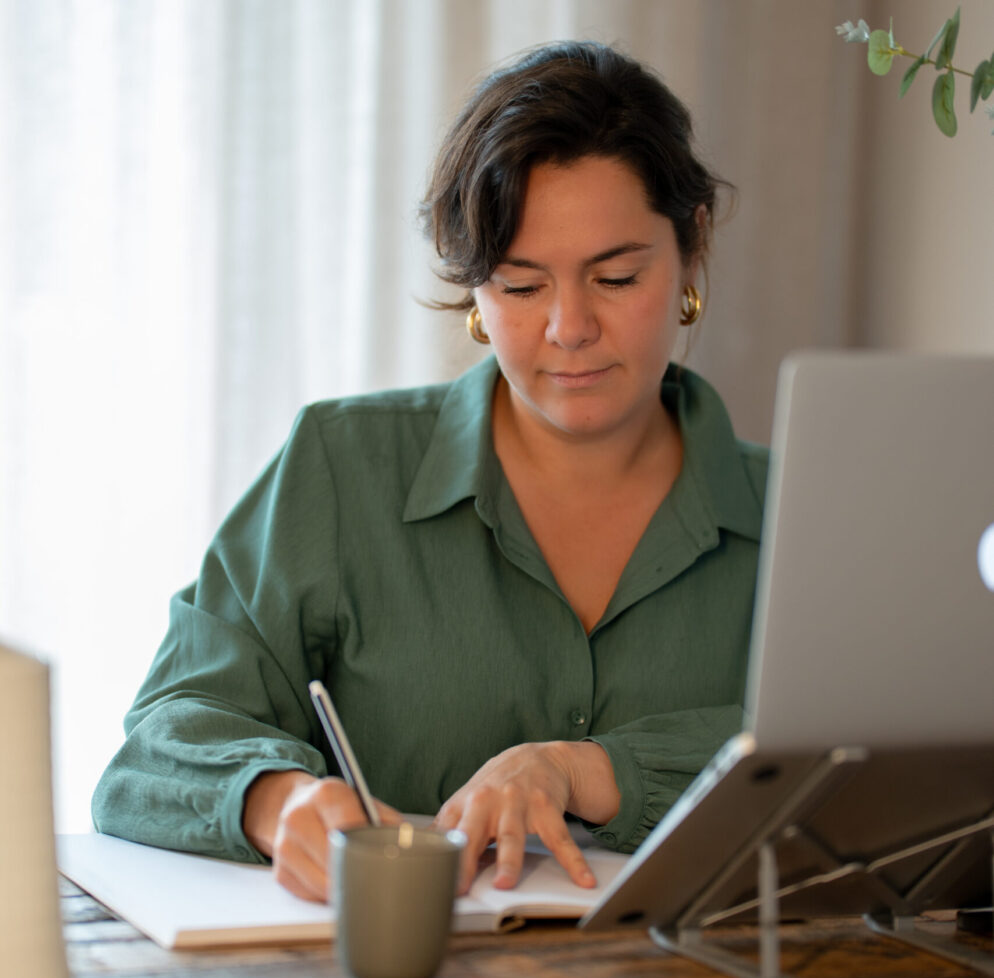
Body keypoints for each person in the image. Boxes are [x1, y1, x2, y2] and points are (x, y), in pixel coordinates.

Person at [92, 40, 768, 904]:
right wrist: (276, 802)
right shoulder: (341, 467)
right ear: (475, 289)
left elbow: (878, 759)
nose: (569, 327)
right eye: (521, 286)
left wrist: (588, 770)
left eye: (615, 276)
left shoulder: (797, 515)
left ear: (692, 247)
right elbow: (158, 747)